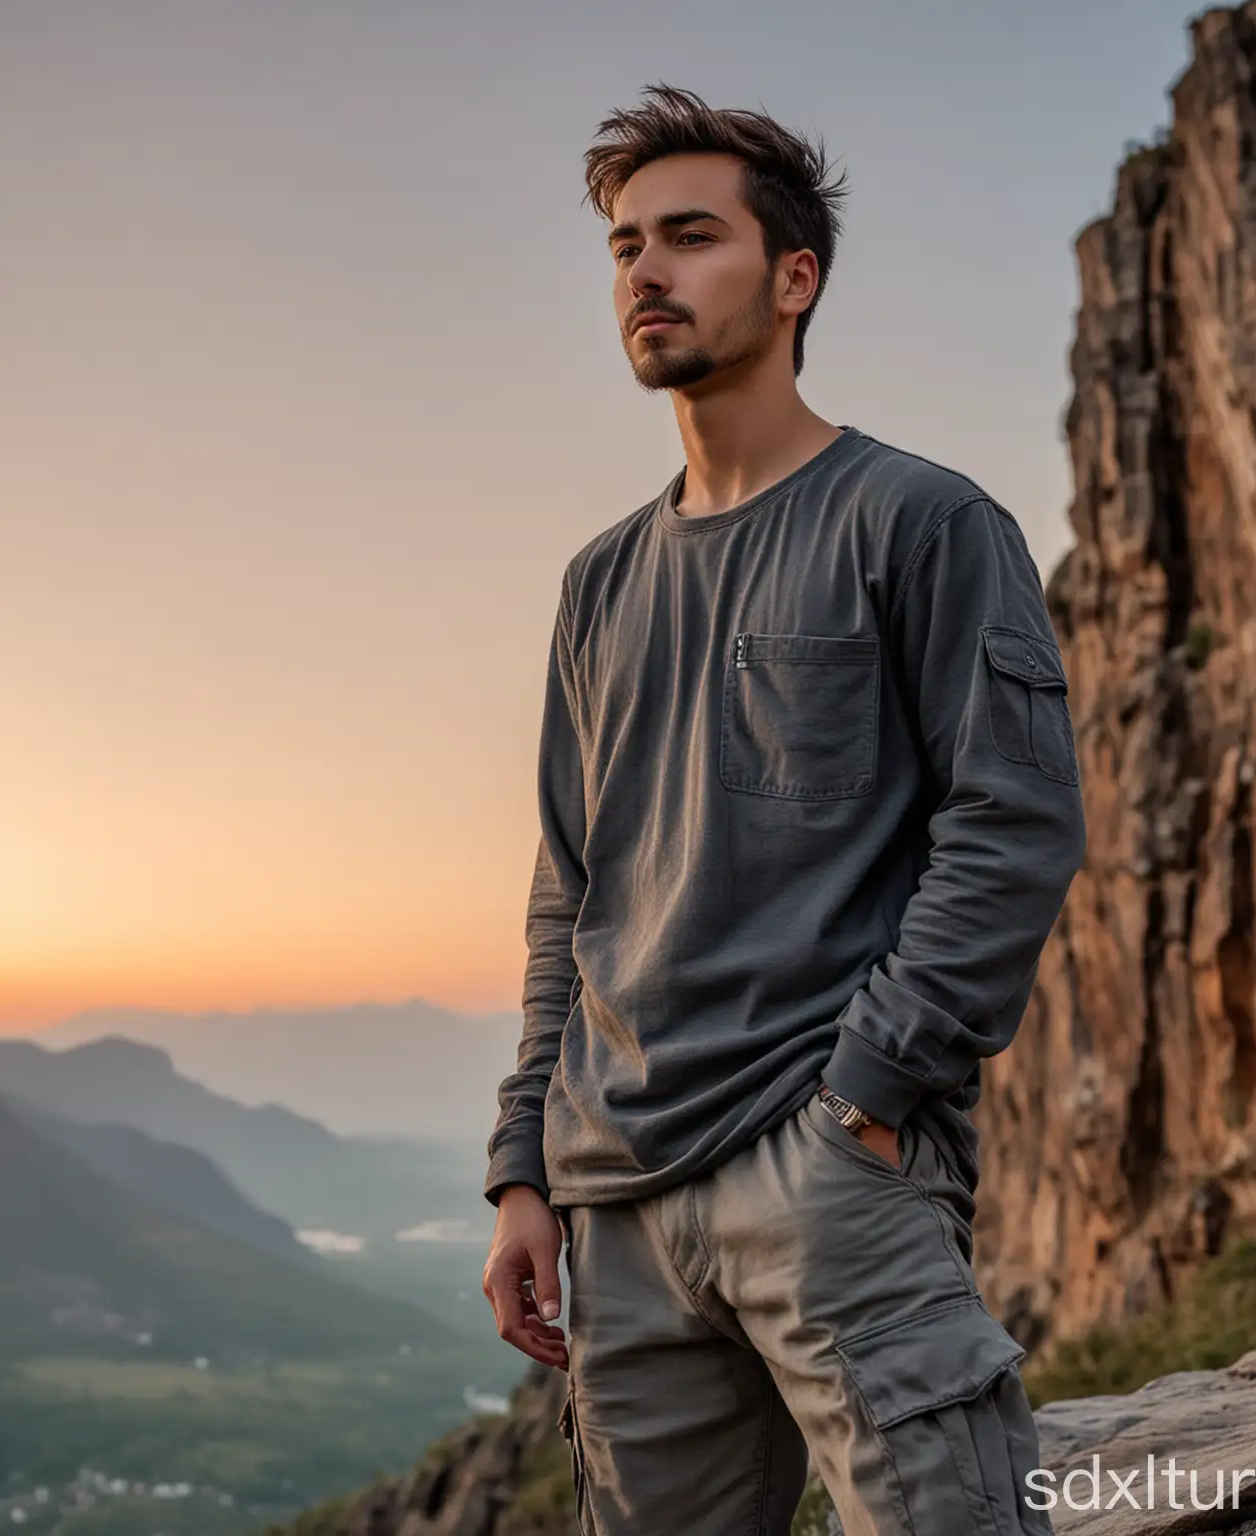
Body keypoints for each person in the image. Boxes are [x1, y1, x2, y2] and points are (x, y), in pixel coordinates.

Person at [481, 81, 1085, 1536]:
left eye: (690, 237)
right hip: (615, 1211)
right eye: (626, 245)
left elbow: (1010, 826)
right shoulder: (600, 584)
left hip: (828, 1180)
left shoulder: (919, 521)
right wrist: (522, 1173)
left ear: (795, 277)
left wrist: (868, 1098)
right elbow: (575, 891)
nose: (646, 272)